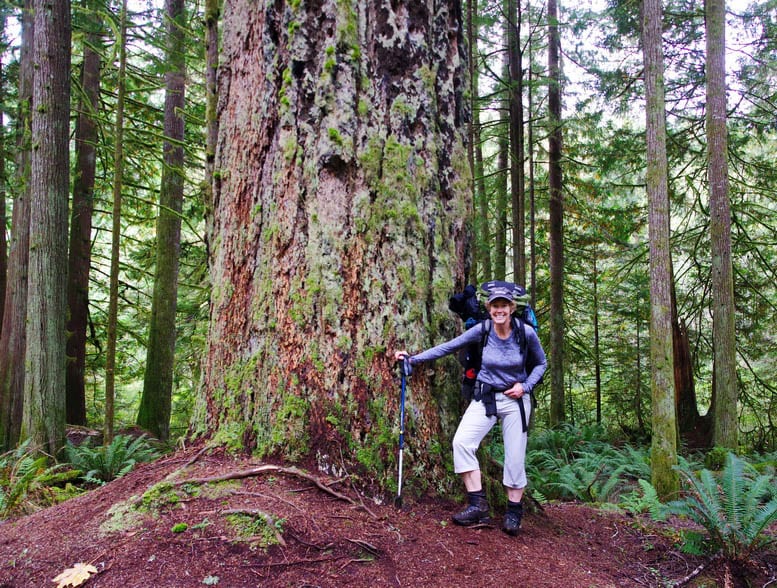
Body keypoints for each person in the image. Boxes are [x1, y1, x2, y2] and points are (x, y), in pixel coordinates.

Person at [393, 284, 546, 535]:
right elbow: (449, 346)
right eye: (495, 306)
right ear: (489, 308)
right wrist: (413, 359)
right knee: (462, 442)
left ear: (511, 308)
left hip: (515, 401)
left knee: (515, 458)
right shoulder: (482, 329)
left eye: (504, 306)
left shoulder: (525, 333)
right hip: (485, 396)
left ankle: (513, 512)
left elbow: (541, 363)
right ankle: (477, 504)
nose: (499, 310)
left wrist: (526, 386)